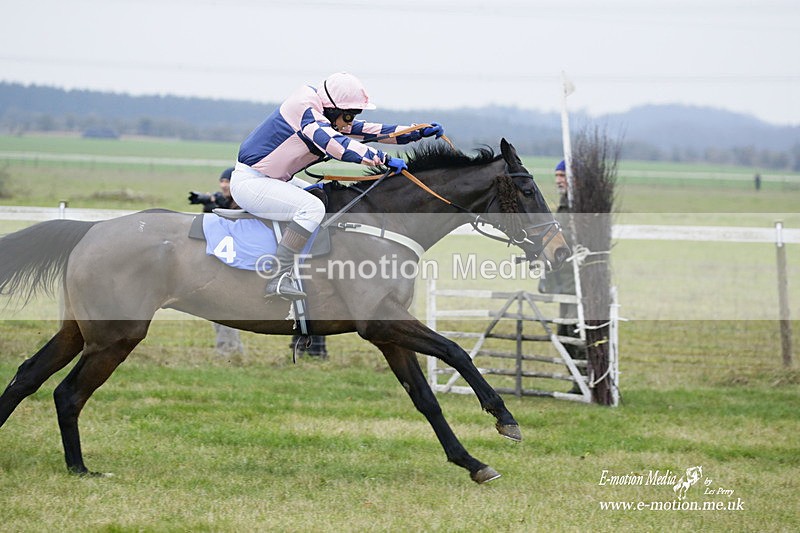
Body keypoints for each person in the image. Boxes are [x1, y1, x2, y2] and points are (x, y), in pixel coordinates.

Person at [231, 72, 444, 300]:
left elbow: (366, 130)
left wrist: (414, 132)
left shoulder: (325, 113)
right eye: (349, 116)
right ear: (334, 109)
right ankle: (279, 278)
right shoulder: (306, 112)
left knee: (325, 198)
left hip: (273, 179)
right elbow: (336, 145)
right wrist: (381, 158)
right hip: (251, 182)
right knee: (312, 209)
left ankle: (313, 273)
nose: (351, 121)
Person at [539, 160, 585, 392]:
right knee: (564, 335)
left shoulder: (580, 205)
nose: (558, 179)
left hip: (579, 285)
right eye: (556, 175)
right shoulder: (565, 205)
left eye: (562, 175)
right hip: (565, 284)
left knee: (576, 334)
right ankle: (579, 382)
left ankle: (587, 382)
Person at [190, 167, 245, 359]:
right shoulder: (226, 201)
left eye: (228, 181)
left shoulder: (244, 203)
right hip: (225, 264)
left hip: (240, 266)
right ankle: (233, 351)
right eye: (222, 181)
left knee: (223, 309)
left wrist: (221, 207)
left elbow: (236, 229)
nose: (223, 185)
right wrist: (210, 207)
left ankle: (227, 352)